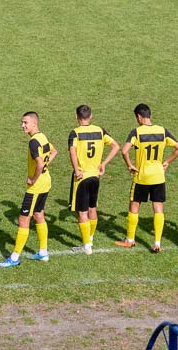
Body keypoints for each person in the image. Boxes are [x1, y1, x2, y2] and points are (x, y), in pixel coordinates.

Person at [115, 103, 178, 253]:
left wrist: (130, 165)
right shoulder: (162, 131)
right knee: (158, 208)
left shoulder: (136, 132)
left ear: (139, 117)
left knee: (134, 205)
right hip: (159, 176)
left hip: (142, 176)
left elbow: (124, 151)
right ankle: (157, 243)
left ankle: (130, 240)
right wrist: (167, 161)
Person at [0, 112, 58, 267]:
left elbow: (38, 163)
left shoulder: (33, 142)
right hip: (46, 183)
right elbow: (54, 152)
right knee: (39, 215)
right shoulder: (42, 137)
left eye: (25, 122)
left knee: (24, 219)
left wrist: (33, 178)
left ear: (34, 124)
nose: (22, 125)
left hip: (36, 187)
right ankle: (43, 252)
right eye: (22, 122)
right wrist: (44, 166)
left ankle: (14, 257)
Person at [67, 105, 119, 255]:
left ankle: (86, 246)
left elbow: (72, 152)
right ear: (91, 116)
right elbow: (115, 146)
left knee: (82, 212)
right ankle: (90, 239)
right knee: (92, 208)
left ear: (76, 116)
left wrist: (77, 169)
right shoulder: (99, 131)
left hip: (82, 177)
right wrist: (103, 163)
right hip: (95, 176)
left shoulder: (75, 133)